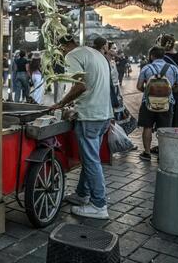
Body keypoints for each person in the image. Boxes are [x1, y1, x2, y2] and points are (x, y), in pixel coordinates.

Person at [48, 35, 113, 219]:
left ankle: (99, 205)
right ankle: (82, 194)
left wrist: (62, 103)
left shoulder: (72, 55)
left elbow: (80, 86)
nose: (61, 55)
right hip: (104, 114)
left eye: (60, 51)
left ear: (63, 47)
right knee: (90, 158)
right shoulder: (96, 54)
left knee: (91, 161)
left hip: (90, 115)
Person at [136, 46, 178, 161]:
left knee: (147, 127)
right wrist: (169, 91)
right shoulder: (173, 68)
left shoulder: (146, 68)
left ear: (152, 56)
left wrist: (148, 92)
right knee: (164, 129)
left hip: (148, 103)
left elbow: (139, 86)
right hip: (167, 103)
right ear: (163, 55)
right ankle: (162, 154)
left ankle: (147, 153)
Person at [157, 34, 178, 129]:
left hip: (165, 89)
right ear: (174, 44)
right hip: (177, 88)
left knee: (165, 116)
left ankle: (166, 134)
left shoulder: (161, 57)